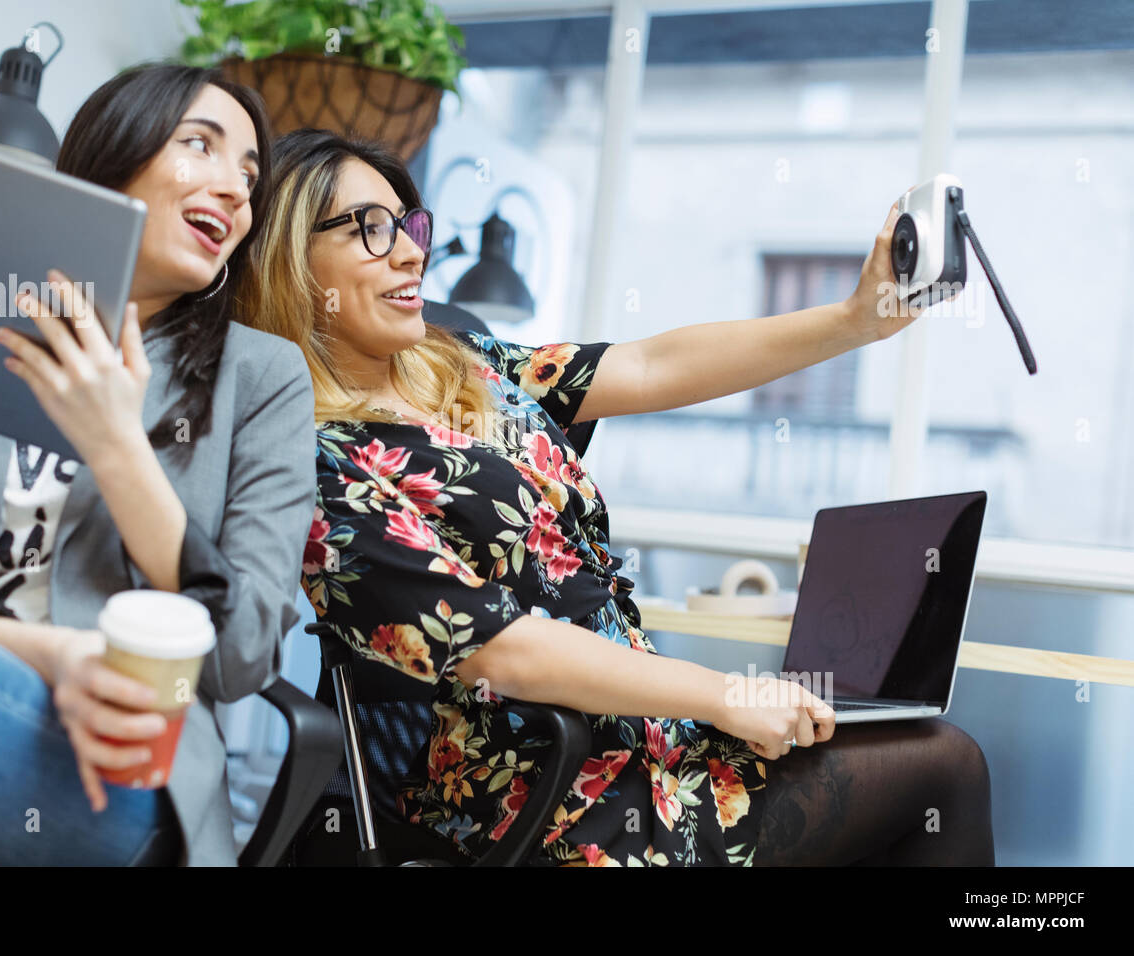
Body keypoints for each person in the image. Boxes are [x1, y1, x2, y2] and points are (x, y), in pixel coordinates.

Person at [250, 127, 995, 867]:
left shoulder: (462, 364)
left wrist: (854, 320)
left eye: (409, 225)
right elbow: (502, 653)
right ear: (293, 258)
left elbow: (647, 365)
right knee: (944, 766)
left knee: (916, 753)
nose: (412, 251)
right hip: (547, 793)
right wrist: (722, 693)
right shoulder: (318, 462)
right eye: (371, 230)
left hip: (647, 740)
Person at [0, 64, 316, 865]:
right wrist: (52, 657)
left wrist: (116, 445)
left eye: (249, 175)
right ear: (111, 154)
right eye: (201, 145)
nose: (235, 190)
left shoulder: (261, 380)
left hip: (111, 763)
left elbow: (239, 655)